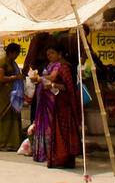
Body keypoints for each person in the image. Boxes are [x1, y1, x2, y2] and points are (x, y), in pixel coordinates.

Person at [29, 42, 81, 170]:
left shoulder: (65, 67)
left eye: (52, 53)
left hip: (65, 105)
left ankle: (65, 159)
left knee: (65, 132)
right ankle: (60, 158)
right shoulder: (54, 66)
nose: (50, 56)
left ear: (60, 54)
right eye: (48, 54)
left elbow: (67, 88)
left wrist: (52, 85)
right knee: (58, 133)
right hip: (56, 104)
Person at [0, 42, 25, 152]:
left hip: (14, 93)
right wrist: (15, 77)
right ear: (11, 52)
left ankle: (13, 143)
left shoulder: (13, 63)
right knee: (5, 117)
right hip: (5, 94)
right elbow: (1, 78)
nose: (17, 56)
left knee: (14, 117)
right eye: (16, 53)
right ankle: (2, 143)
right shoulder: (3, 62)